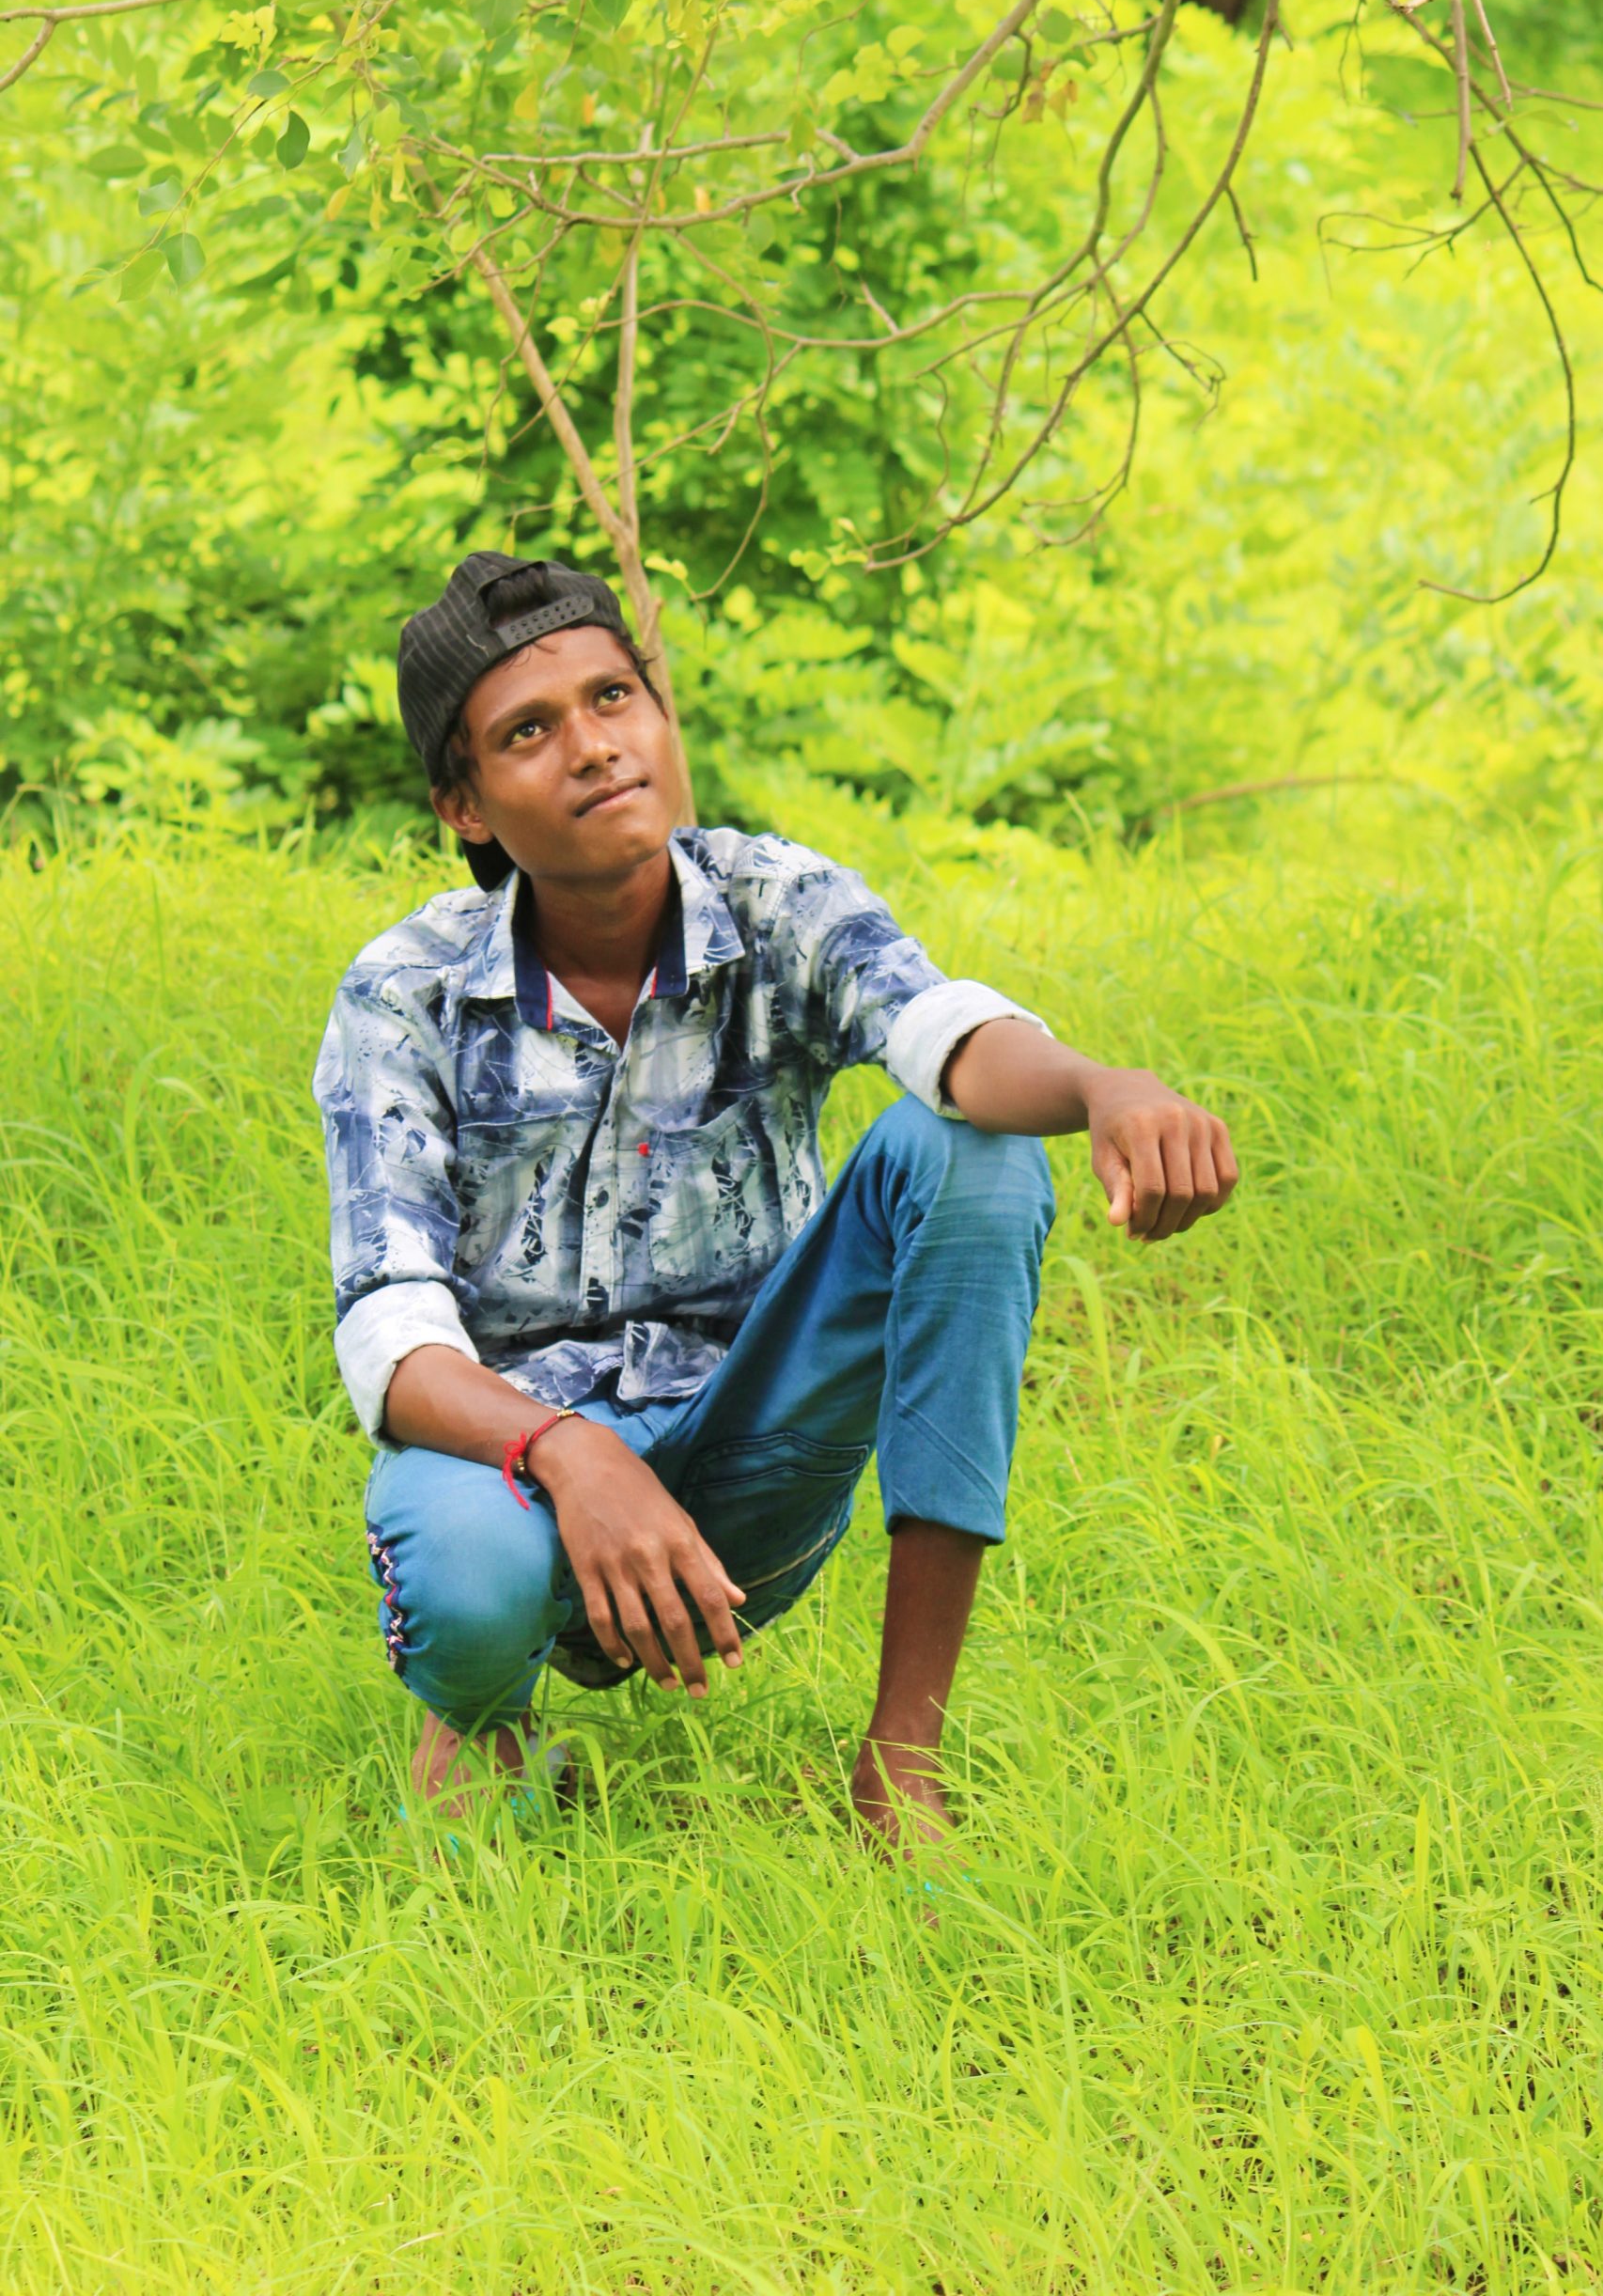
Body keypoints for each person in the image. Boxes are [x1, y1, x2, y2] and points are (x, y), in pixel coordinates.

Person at [313, 553, 1238, 1855]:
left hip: (749, 1462)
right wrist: (572, 1454)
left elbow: (941, 1033)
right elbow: (390, 1338)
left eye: (613, 698)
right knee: (465, 1571)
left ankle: (899, 1766)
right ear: (464, 805)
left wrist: (1098, 1085)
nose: (593, 748)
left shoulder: (774, 900)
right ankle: (481, 1723)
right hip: (519, 1486)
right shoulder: (403, 993)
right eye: (530, 732)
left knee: (973, 1153)